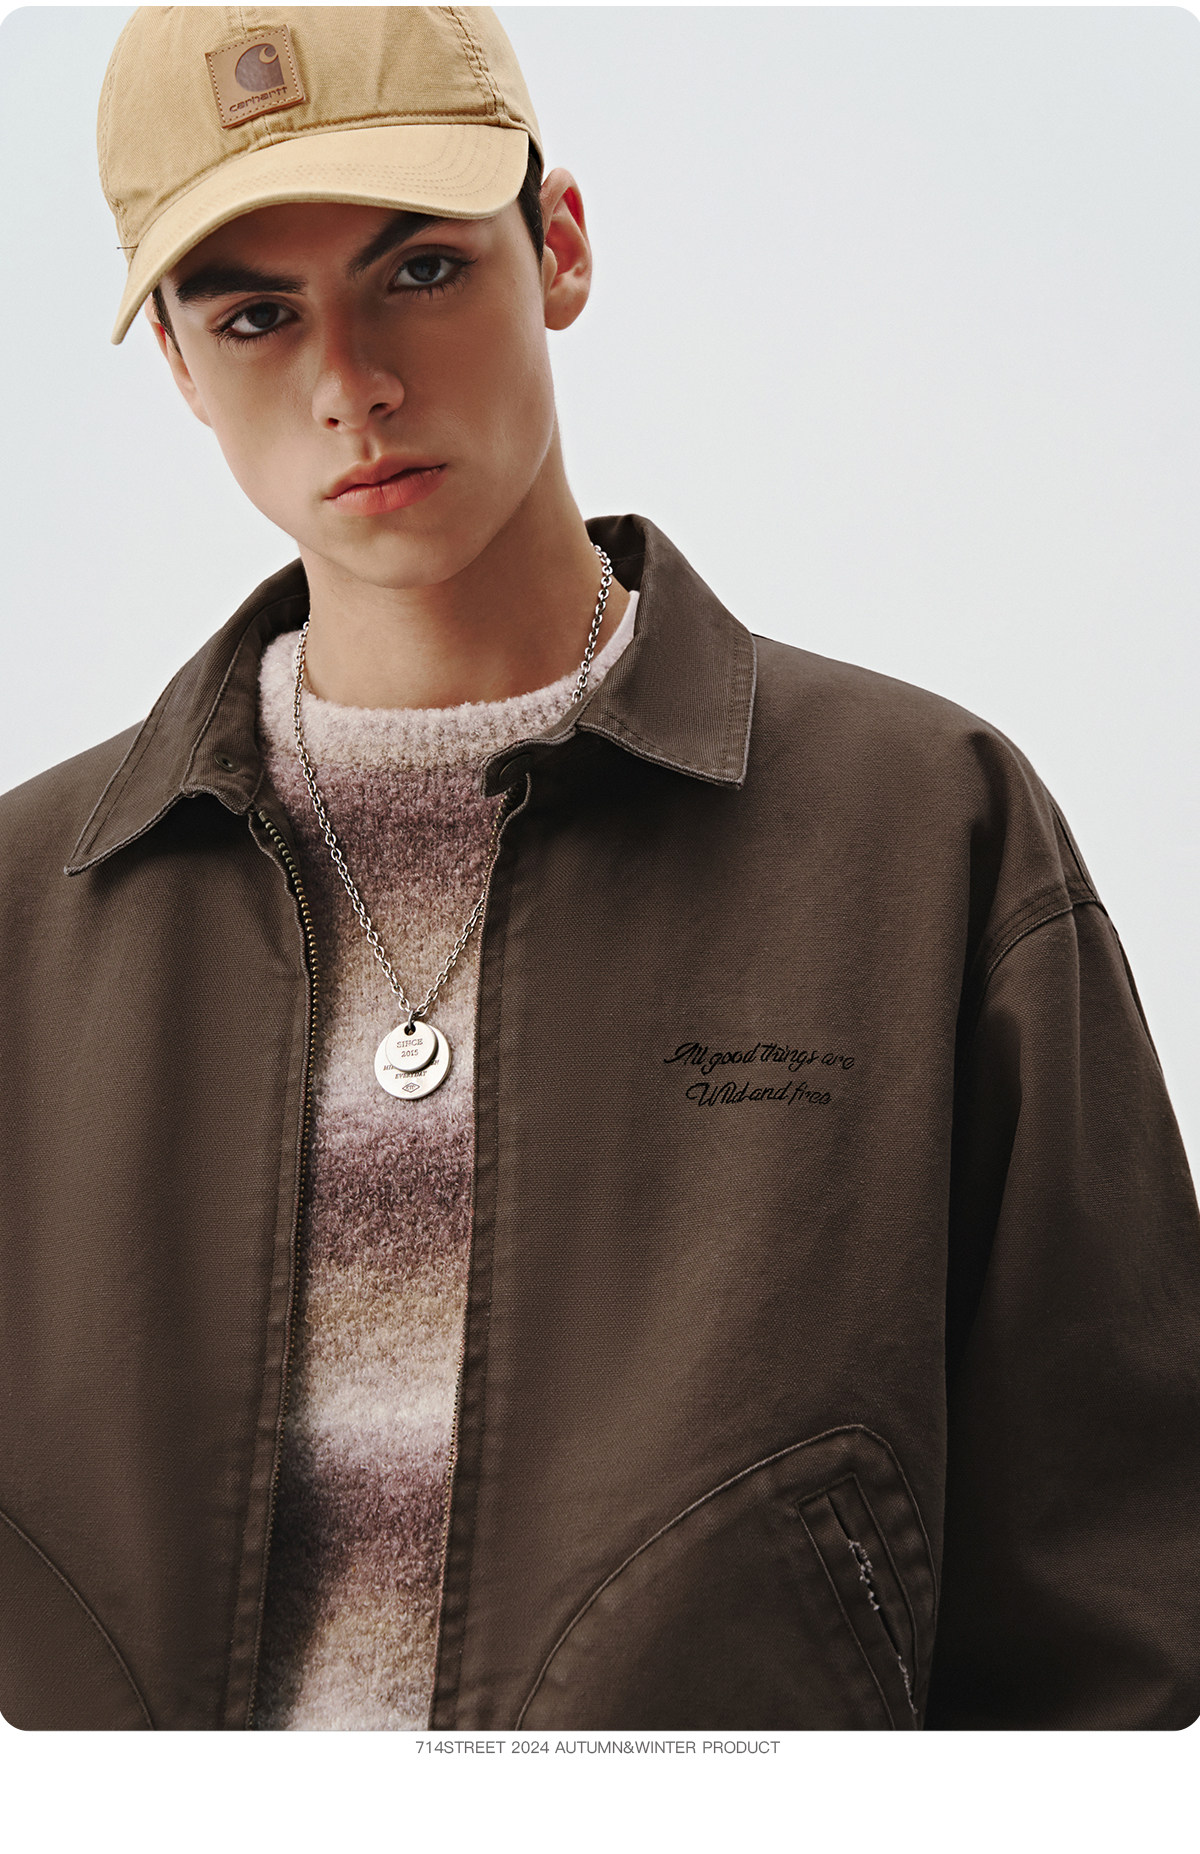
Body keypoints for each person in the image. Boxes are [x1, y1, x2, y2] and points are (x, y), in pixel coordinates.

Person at [1, 4, 1198, 1733]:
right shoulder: (33, 914)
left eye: (418, 270)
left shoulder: (922, 831)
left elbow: (1116, 1613)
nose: (350, 383)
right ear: (183, 369)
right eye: (255, 315)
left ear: (558, 245)